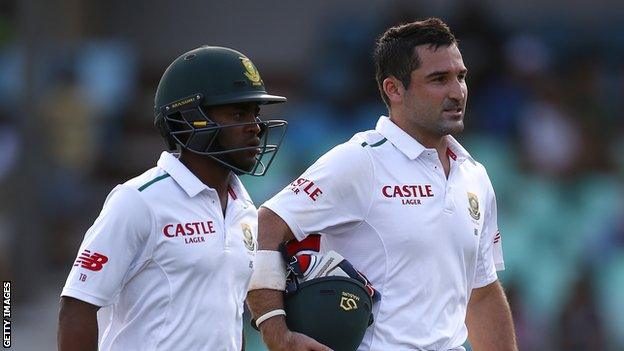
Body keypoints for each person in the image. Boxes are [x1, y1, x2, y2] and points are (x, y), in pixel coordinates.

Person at [246, 18, 518, 351]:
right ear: (394, 89)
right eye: (438, 79)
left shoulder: (474, 175)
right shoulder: (360, 161)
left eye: (460, 77)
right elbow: (266, 225)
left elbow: (483, 293)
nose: (456, 91)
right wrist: (274, 331)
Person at [57, 45, 288, 351]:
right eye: (237, 113)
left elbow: (227, 320)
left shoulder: (244, 208)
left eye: (255, 113)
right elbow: (77, 306)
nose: (255, 127)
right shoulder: (138, 201)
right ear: (190, 119)